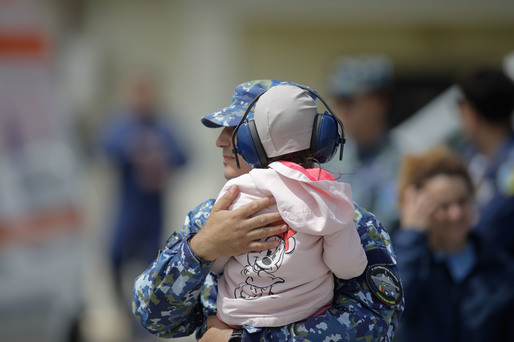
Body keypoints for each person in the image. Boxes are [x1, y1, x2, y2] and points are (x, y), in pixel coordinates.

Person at [132, 79, 404, 342]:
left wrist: (240, 340)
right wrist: (201, 248)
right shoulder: (210, 218)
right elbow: (153, 317)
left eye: (236, 128)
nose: (220, 141)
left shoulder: (347, 221)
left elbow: (374, 327)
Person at [210, 84, 368, 328]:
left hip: (235, 319)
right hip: (308, 319)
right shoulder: (331, 198)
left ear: (249, 140)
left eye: (233, 130)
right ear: (321, 136)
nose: (221, 141)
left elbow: (215, 262)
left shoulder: (234, 191)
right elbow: (347, 268)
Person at [392, 146, 514, 342]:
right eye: (443, 206)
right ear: (419, 208)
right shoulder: (410, 264)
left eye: (462, 201)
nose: (456, 214)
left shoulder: (499, 267)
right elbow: (391, 309)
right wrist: (411, 234)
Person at [100, 73, 188, 298]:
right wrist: (132, 151)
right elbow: (104, 149)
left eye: (146, 92)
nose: (142, 99)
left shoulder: (164, 127)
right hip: (127, 209)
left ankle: (144, 318)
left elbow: (185, 156)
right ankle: (122, 309)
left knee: (153, 264)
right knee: (115, 257)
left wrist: (162, 158)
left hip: (153, 211)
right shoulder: (121, 125)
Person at [324, 54, 401, 233]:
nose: (340, 110)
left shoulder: (406, 160)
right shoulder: (324, 162)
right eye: (337, 101)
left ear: (379, 103)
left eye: (348, 100)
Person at [454, 67, 514, 256]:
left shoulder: (509, 164)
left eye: (460, 105)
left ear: (471, 112)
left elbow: (491, 225)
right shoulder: (467, 156)